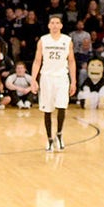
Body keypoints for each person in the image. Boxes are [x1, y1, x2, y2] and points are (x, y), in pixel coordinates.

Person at [30, 16, 77, 151]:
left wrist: (73, 81)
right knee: (47, 109)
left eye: (57, 23)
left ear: (61, 26)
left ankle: (59, 134)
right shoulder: (43, 40)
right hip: (47, 77)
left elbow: (71, 61)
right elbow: (37, 61)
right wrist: (33, 79)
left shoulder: (67, 40)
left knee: (62, 106)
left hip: (62, 77)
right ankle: (49, 139)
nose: (55, 25)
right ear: (49, 25)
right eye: (52, 23)